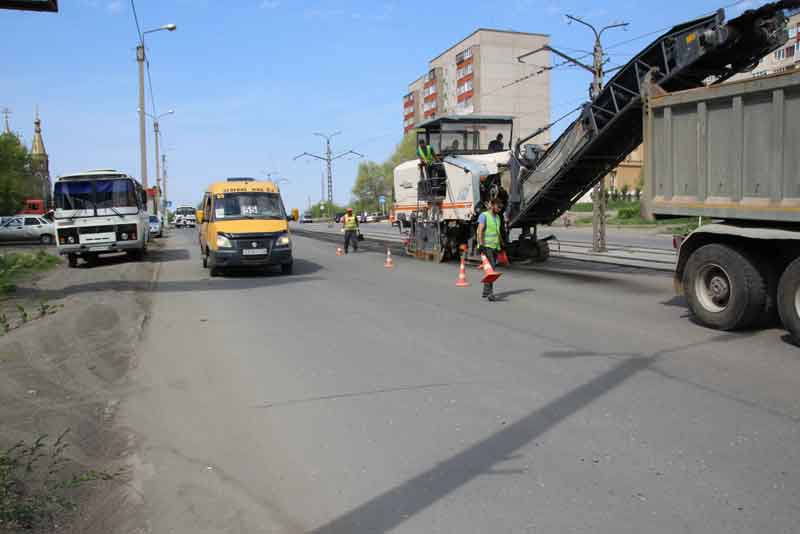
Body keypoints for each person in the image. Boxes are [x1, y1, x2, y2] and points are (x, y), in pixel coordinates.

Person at [476, 198, 504, 301]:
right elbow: (480, 231)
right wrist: (481, 245)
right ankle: (490, 293)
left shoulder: (498, 217)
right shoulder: (484, 216)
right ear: (492, 205)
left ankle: (485, 291)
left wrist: (502, 244)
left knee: (490, 269)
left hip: (495, 246)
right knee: (491, 270)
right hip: (486, 246)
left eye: (501, 207)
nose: (500, 209)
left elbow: (497, 232)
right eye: (498, 206)